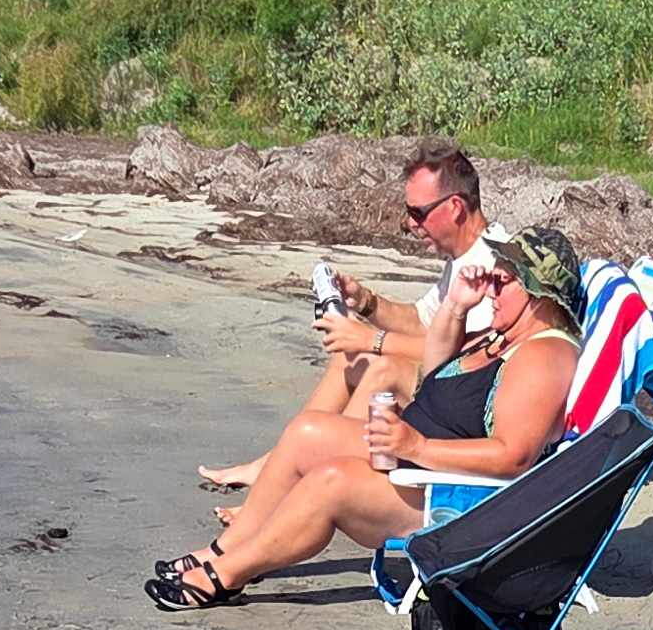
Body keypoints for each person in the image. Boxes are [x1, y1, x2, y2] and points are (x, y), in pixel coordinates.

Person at [147, 232, 587, 614]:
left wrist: (415, 446)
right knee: (308, 433)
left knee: (331, 481)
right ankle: (226, 549)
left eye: (503, 281)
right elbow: (437, 374)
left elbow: (513, 456)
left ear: (539, 294)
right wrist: (454, 308)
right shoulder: (505, 335)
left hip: (450, 500)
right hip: (418, 465)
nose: (490, 289)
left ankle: (225, 574)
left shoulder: (544, 356)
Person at [194, 140, 509, 497]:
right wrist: (366, 302)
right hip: (446, 379)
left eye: (418, 213)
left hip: (464, 394)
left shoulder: (489, 265)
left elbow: (458, 355)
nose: (410, 224)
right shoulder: (464, 257)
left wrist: (371, 340)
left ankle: (299, 483)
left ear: (455, 207)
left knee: (381, 370)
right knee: (350, 358)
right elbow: (422, 322)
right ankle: (274, 464)